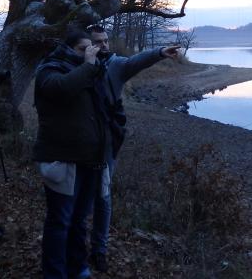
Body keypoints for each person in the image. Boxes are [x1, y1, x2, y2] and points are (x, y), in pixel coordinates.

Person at [85, 25, 180, 273]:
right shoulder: (78, 65)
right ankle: (75, 246)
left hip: (107, 141)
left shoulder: (115, 65)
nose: (104, 45)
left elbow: (136, 62)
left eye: (106, 40)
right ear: (87, 45)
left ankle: (99, 251)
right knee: (79, 198)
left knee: (103, 196)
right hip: (79, 140)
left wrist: (160, 52)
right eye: (98, 42)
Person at [33, 29, 109, 279]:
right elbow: (61, 89)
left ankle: (78, 268)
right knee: (60, 221)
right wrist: (88, 65)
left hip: (89, 159)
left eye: (92, 48)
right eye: (82, 48)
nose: (90, 52)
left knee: (79, 220)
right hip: (62, 158)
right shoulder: (50, 69)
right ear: (68, 48)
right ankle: (54, 273)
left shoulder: (90, 71)